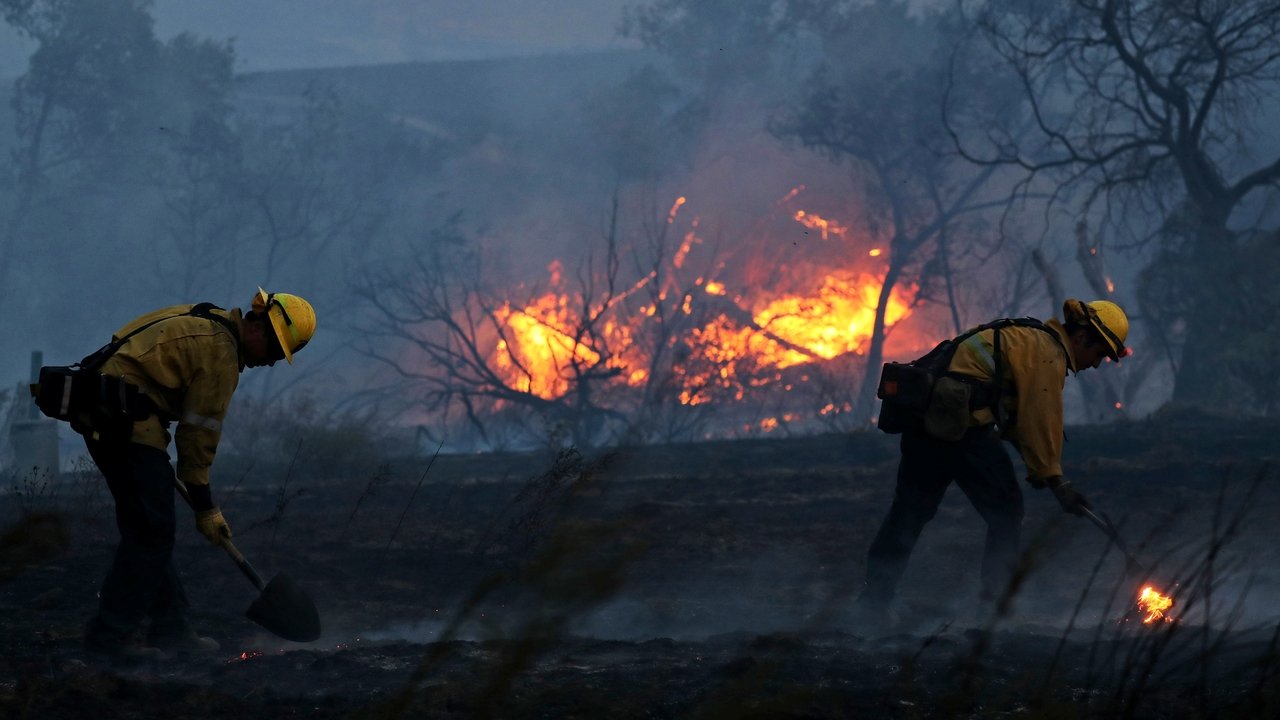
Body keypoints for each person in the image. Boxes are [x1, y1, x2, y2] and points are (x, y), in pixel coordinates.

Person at [80, 288, 316, 660]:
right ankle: (107, 642)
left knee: (150, 530)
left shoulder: (207, 317)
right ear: (259, 328)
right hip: (123, 421)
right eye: (274, 351)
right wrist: (206, 508)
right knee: (151, 534)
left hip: (112, 412)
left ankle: (172, 629)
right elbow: (197, 436)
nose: (271, 362)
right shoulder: (221, 354)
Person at [857, 298, 1128, 622]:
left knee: (908, 516)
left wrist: (1044, 472)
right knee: (1006, 511)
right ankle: (995, 609)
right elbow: (1038, 420)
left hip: (928, 426)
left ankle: (873, 603)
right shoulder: (1046, 353)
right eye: (1099, 354)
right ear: (1083, 338)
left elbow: (1014, 418)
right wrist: (1056, 481)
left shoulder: (1027, 336)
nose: (1096, 364)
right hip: (962, 430)